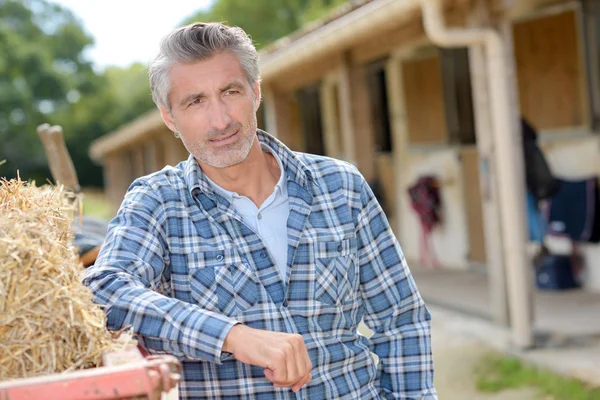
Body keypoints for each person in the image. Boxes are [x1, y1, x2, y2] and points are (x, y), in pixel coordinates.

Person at [84, 22, 436, 399]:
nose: (220, 121)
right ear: (170, 116)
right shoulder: (157, 201)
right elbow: (104, 292)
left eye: (230, 92)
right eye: (195, 101)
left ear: (255, 91)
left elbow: (401, 320)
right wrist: (232, 336)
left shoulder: (341, 186)